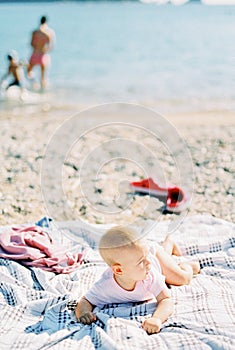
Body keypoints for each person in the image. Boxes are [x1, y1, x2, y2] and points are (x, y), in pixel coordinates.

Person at [75, 226, 200, 334]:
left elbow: (166, 300)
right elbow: (85, 301)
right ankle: (167, 246)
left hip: (156, 256)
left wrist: (157, 318)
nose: (148, 261)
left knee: (181, 279)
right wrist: (83, 313)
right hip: (151, 255)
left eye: (146, 257)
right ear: (119, 271)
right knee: (164, 260)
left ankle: (186, 265)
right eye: (141, 261)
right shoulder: (105, 286)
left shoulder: (149, 274)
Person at [27, 15, 56, 89]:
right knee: (43, 77)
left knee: (29, 72)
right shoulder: (49, 32)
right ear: (46, 22)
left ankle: (34, 83)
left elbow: (31, 44)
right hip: (43, 55)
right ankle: (43, 92)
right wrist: (45, 50)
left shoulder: (35, 32)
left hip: (35, 54)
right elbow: (51, 46)